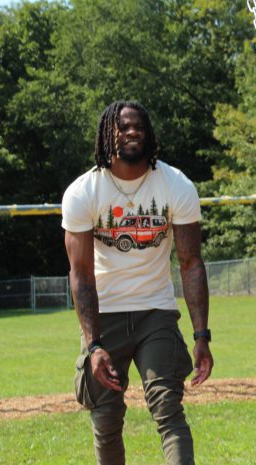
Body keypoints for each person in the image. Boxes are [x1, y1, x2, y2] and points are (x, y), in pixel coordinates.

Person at [62, 101, 213, 465]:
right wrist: (93, 344)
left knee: (168, 409)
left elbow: (191, 263)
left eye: (139, 127)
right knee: (106, 419)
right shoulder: (83, 191)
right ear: (107, 134)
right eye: (123, 126)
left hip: (155, 313)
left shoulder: (176, 185)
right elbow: (81, 273)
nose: (132, 132)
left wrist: (201, 337)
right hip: (106, 315)